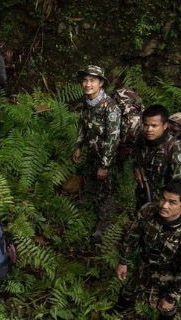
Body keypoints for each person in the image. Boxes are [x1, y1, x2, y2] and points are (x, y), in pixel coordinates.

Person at [114, 180, 181, 320]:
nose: (164, 205)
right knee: (128, 292)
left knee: (166, 308)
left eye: (172, 202)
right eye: (163, 198)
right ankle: (115, 314)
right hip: (145, 265)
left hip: (169, 274)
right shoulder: (148, 211)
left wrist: (171, 297)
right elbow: (133, 236)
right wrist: (123, 261)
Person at [72, 65, 122, 238]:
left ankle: (105, 225)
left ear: (101, 83)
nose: (87, 84)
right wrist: (78, 146)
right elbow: (82, 126)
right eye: (85, 80)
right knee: (91, 181)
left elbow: (113, 138)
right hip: (92, 153)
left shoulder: (110, 107)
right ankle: (85, 209)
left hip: (107, 157)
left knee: (106, 191)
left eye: (92, 80)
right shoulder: (87, 103)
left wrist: (105, 164)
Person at [132, 105, 181, 209]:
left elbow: (178, 183)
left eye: (154, 126)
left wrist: (167, 204)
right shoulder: (141, 139)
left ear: (165, 125)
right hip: (144, 193)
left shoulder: (175, 148)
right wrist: (136, 169)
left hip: (163, 201)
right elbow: (136, 157)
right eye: (146, 125)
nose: (149, 129)